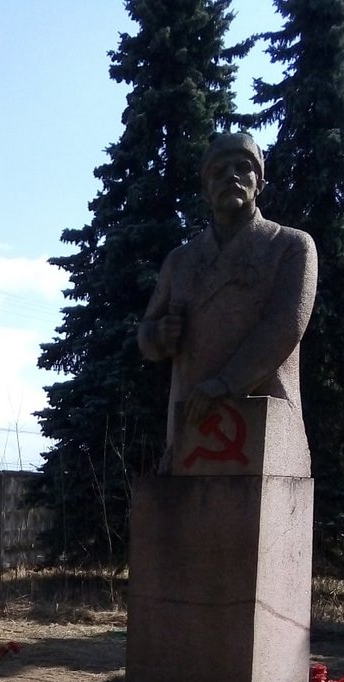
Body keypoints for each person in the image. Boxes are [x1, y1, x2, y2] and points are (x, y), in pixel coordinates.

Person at [137, 132, 317, 463]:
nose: (231, 176)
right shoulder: (180, 260)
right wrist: (159, 335)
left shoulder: (290, 245)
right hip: (191, 420)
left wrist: (225, 383)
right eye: (218, 171)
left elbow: (285, 325)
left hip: (262, 419)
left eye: (243, 167)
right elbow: (146, 333)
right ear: (205, 191)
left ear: (260, 183)